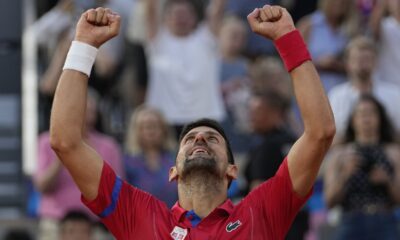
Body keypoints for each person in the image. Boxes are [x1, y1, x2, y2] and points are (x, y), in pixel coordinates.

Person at [49, 5, 335, 239]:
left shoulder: (260, 211)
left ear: (232, 170)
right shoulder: (140, 214)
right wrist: (84, 47)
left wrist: (288, 38)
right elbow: (66, 142)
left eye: (212, 139)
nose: (199, 139)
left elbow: (320, 133)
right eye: (189, 139)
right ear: (172, 171)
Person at [34, 88, 124, 240]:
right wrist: (62, 153)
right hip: (55, 225)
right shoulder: (46, 141)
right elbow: (42, 186)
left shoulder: (108, 146)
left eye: (89, 110)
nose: (83, 115)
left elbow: (117, 193)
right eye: (80, 109)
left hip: (95, 226)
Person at [324, 94, 400, 239]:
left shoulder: (393, 153)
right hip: (350, 220)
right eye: (361, 114)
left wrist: (387, 181)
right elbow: (329, 201)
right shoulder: (340, 155)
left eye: (371, 113)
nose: (366, 119)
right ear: (353, 120)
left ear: (379, 118)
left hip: (384, 219)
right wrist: (345, 176)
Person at [145, 0, 226, 135]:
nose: (180, 18)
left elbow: (217, 9)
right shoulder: (158, 40)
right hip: (165, 119)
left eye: (185, 14)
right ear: (165, 18)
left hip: (204, 118)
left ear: (194, 17)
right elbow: (150, 9)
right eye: (176, 14)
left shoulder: (207, 39)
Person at [328, 36, 400, 140]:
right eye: (357, 59)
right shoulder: (336, 96)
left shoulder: (394, 94)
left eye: (367, 59)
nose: (362, 64)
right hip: (346, 151)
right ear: (347, 63)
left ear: (376, 62)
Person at [124, 105, 178, 207]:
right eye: (145, 127)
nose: (150, 131)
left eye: (155, 126)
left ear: (164, 130)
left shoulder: (176, 158)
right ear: (136, 132)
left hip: (173, 219)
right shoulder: (127, 162)